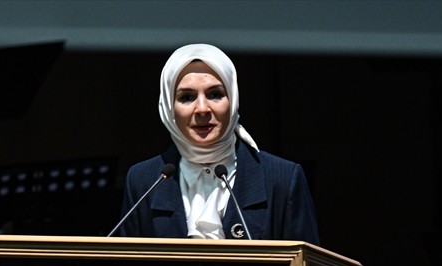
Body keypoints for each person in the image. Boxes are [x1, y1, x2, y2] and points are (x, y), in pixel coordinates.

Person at [116, 43, 319, 244]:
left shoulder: (282, 179)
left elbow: (305, 263)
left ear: (233, 99)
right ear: (169, 107)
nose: (202, 109)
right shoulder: (143, 180)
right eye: (186, 97)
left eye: (215, 95)